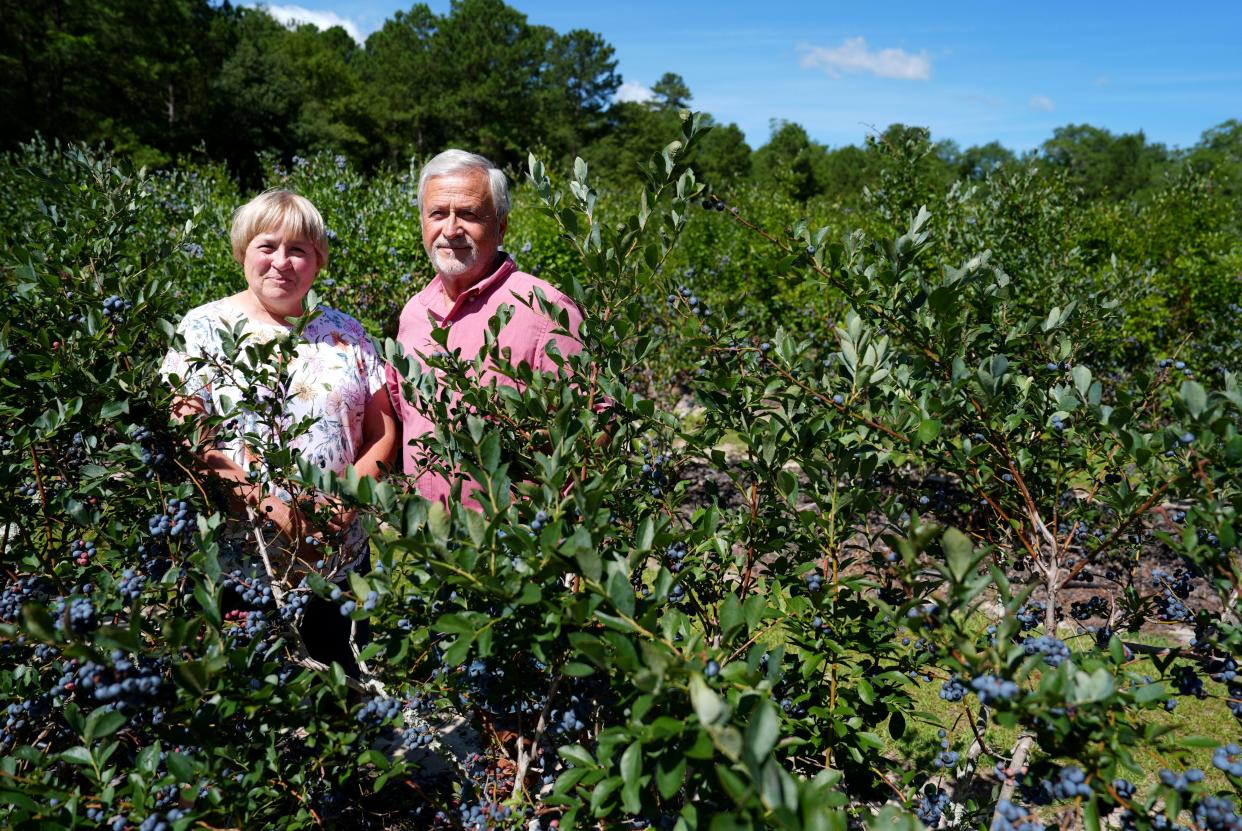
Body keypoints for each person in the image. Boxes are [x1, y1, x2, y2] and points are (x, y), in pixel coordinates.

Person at [161, 188, 397, 671]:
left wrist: (346, 503)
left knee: (344, 690)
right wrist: (269, 506)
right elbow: (190, 431)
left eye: (298, 250)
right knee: (250, 703)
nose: (281, 262)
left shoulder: (347, 333)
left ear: (317, 260)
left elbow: (382, 433)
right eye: (267, 246)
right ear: (243, 251)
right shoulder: (203, 327)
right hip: (240, 562)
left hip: (337, 557)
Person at [386, 150, 586, 505]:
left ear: (502, 225)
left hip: (514, 544)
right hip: (429, 545)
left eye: (468, 214)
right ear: (422, 223)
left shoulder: (546, 309)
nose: (450, 229)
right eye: (437, 214)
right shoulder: (414, 314)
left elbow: (589, 433)